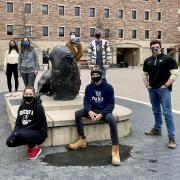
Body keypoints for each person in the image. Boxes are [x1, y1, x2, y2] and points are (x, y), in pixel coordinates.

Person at [69, 66, 120, 166]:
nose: (95, 76)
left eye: (97, 74)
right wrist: (89, 111)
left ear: (100, 75)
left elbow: (110, 104)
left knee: (112, 119)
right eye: (93, 75)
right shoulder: (89, 87)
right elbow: (86, 102)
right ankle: (82, 140)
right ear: (91, 76)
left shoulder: (108, 87)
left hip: (104, 112)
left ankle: (115, 149)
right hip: (93, 110)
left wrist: (102, 114)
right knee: (78, 113)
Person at [143, 40, 178, 149]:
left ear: (161, 47)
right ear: (150, 48)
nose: (155, 48)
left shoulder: (168, 59)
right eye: (153, 47)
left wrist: (166, 85)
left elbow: (175, 74)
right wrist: (147, 85)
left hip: (164, 90)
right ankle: (157, 129)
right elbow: (144, 75)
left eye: (157, 46)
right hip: (152, 89)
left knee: (167, 113)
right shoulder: (147, 61)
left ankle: (171, 137)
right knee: (156, 110)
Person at [6, 86, 48, 160]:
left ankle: (35, 148)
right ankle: (30, 144)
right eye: (26, 94)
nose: (28, 96)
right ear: (23, 95)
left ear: (34, 95)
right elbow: (18, 123)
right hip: (25, 132)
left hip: (39, 132)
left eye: (30, 94)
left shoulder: (38, 107)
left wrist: (20, 132)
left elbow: (36, 124)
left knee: (21, 135)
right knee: (9, 142)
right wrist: (14, 133)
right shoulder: (21, 106)